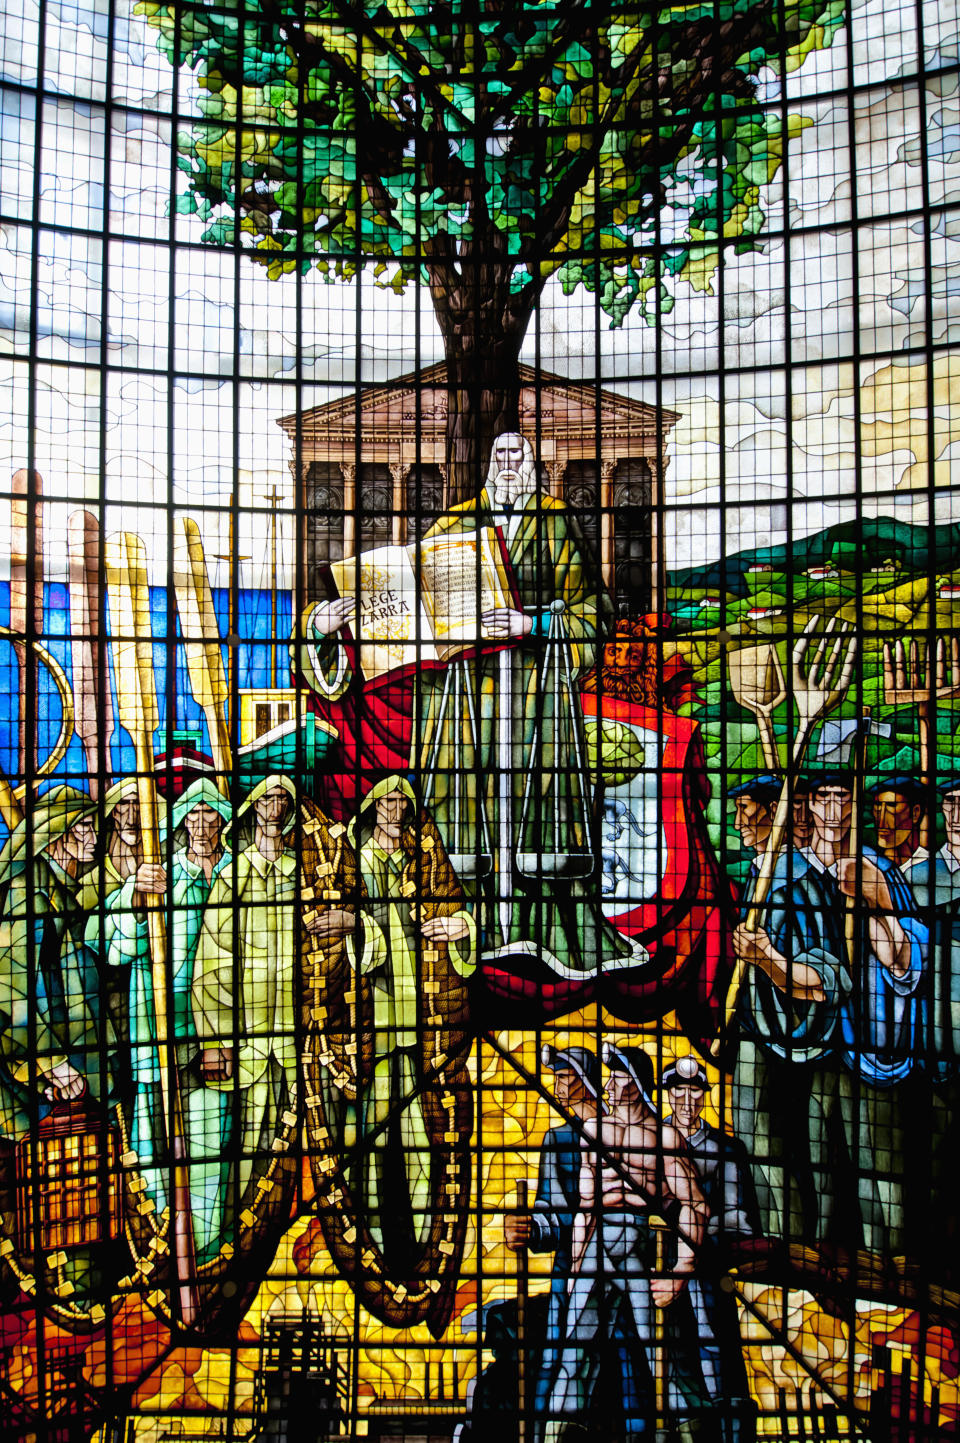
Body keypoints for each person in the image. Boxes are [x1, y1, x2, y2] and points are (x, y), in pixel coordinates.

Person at [304, 431, 633, 979]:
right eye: (498, 454)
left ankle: (542, 929)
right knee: (461, 805)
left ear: (531, 464)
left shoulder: (553, 521)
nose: (506, 464)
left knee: (539, 806)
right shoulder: (454, 523)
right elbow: (405, 609)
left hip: (535, 695)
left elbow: (594, 613)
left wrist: (535, 623)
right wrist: (326, 624)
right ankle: (458, 926)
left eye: (517, 455)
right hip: (460, 702)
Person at [193, 775, 356, 1219]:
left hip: (304, 1034)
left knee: (312, 1148)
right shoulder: (232, 875)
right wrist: (214, 1038)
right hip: (249, 1036)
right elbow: (210, 962)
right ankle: (241, 1233)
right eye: (266, 798)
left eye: (282, 798)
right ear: (252, 807)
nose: (273, 806)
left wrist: (346, 926)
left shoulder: (304, 872)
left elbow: (342, 932)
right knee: (250, 1146)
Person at [88, 777, 233, 1259]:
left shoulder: (240, 872)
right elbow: (107, 942)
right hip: (160, 1031)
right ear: (180, 822)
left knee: (213, 1142)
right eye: (192, 815)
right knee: (155, 1145)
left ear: (222, 820)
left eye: (210, 814)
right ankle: (162, 1246)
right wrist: (134, 899)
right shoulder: (159, 875)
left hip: (223, 1032)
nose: (201, 824)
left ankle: (207, 1248)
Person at [546, 1044, 710, 1441]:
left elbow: (694, 1206)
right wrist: (574, 1267)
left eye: (617, 1075)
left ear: (635, 1084)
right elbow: (586, 1207)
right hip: (597, 1247)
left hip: (643, 1247)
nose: (608, 1083)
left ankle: (690, 1433)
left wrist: (680, 1273)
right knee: (575, 1344)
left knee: (662, 1352)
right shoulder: (593, 1133)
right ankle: (559, 1433)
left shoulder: (665, 1138)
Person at [346, 775, 476, 1267]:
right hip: (373, 1022)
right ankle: (377, 1243)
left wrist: (461, 926)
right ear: (371, 805)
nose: (396, 809)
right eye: (387, 800)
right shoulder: (351, 863)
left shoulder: (426, 860)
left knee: (424, 1132)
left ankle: (423, 1242)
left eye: (403, 800)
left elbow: (463, 910)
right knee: (372, 1132)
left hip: (425, 1021)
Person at [802, 775, 927, 1256]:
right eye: (822, 798)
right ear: (808, 808)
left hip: (871, 1048)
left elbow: (906, 959)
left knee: (880, 1176)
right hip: (815, 1045)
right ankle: (818, 1270)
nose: (834, 809)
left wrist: (876, 903)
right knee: (820, 1170)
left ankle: (890, 1278)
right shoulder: (796, 873)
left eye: (842, 799)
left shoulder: (878, 872)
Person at [729, 774, 849, 1244]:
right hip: (757, 1032)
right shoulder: (764, 877)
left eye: (747, 810)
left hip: (787, 1046)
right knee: (757, 1150)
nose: (738, 822)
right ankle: (776, 1244)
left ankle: (795, 1253)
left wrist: (770, 963)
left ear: (773, 815)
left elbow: (827, 980)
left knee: (779, 1153)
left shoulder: (797, 885)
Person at [504, 1045, 606, 1432]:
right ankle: (543, 1435)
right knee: (554, 1358)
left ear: (584, 1082)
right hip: (569, 1270)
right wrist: (531, 1229)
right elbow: (550, 1207)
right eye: (557, 1077)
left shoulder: (622, 1134)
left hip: (623, 1268)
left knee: (629, 1362)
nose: (557, 1085)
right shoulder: (556, 1140)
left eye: (564, 1077)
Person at [0, 786, 109, 1137]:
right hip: (33, 1076)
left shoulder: (58, 888)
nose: (94, 837)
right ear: (58, 834)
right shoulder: (28, 894)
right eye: (84, 827)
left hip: (60, 1060)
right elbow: (9, 991)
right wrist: (54, 1065)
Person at [662, 1055, 759, 1442]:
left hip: (709, 1276)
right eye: (679, 1091)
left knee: (717, 1355)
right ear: (668, 1093)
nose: (687, 1101)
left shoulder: (726, 1150)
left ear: (706, 1095)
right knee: (666, 1360)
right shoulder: (649, 1140)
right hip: (656, 1273)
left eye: (695, 1092)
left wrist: (696, 1233)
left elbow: (739, 1219)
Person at [868, 775, 927, 870]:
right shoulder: (870, 862)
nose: (881, 822)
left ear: (915, 812)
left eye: (892, 805)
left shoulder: (928, 864)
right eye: (878, 806)